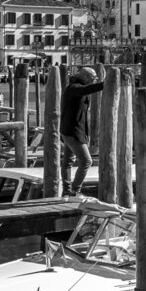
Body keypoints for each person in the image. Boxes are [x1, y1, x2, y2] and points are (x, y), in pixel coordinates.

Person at [60, 66, 107, 195]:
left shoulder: (75, 87)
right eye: (93, 78)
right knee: (86, 161)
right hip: (73, 131)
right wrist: (105, 84)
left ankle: (67, 189)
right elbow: (86, 89)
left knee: (68, 161)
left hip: (69, 130)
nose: (95, 80)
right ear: (85, 77)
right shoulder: (73, 88)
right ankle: (75, 190)